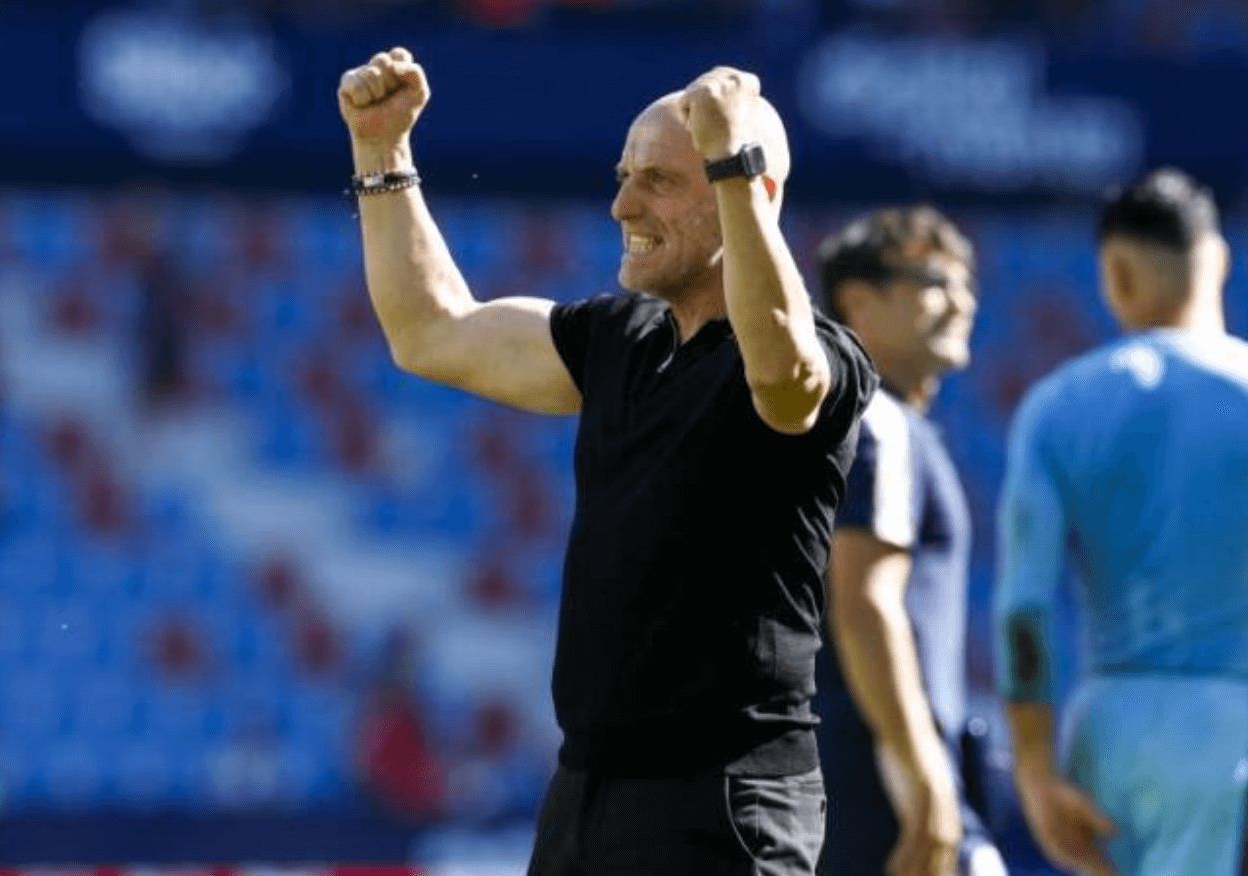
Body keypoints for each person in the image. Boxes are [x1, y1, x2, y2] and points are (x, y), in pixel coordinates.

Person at [337, 49, 877, 874]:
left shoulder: (817, 359)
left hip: (722, 802)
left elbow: (784, 377)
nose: (622, 201)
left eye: (658, 179)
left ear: (751, 188)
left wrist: (735, 163)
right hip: (586, 791)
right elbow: (433, 332)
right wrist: (383, 154)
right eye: (625, 174)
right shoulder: (619, 339)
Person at [995, 168, 1248, 876]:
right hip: (1236, 727)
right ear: (1218, 260)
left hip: (1105, 726)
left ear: (1114, 273)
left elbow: (1023, 609)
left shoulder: (1057, 406)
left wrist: (1033, 768)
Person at [812, 207, 1006, 876]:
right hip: (876, 783)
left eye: (968, 283)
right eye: (934, 281)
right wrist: (926, 780)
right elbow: (867, 604)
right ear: (857, 300)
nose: (962, 301)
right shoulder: (877, 421)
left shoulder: (883, 422)